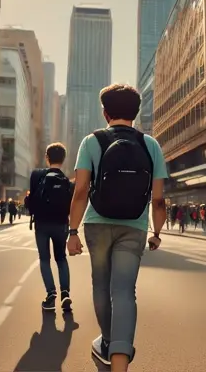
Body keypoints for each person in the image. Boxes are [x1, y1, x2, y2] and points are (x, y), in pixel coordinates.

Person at [68, 83, 168, 371]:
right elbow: (159, 199)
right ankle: (120, 359)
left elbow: (81, 190)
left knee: (101, 284)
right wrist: (157, 233)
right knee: (124, 290)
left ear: (105, 112)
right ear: (136, 113)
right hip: (134, 226)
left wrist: (72, 232)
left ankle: (109, 341)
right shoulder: (151, 145)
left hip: (97, 223)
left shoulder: (90, 142)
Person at [29, 143, 74, 312]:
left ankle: (51, 294)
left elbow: (31, 200)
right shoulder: (67, 182)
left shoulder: (37, 175)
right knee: (61, 258)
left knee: (44, 259)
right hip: (61, 224)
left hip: (41, 224)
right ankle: (65, 293)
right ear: (63, 159)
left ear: (46, 158)